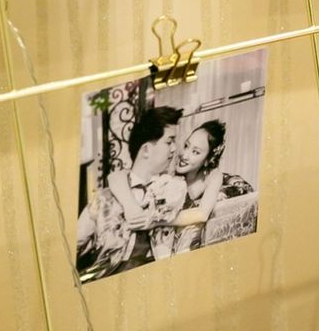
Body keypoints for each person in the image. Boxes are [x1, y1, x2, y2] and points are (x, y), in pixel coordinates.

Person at [77, 106, 183, 281]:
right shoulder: (105, 199)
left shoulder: (174, 190)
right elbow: (73, 247)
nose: (174, 148)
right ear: (146, 149)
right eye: (169, 141)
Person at [157, 119, 228, 254]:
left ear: (208, 159)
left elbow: (202, 214)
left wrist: (159, 221)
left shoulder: (213, 176)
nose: (184, 155)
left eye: (195, 152)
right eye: (186, 146)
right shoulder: (170, 167)